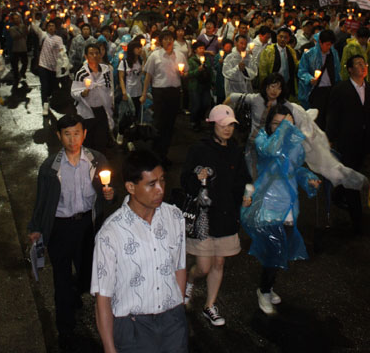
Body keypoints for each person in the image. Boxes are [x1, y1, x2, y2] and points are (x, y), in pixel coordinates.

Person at [28, 114, 114, 349]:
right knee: (61, 280)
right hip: (60, 228)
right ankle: (65, 329)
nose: (72, 139)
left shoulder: (96, 160)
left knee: (89, 275)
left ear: (84, 134)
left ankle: (76, 291)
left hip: (87, 226)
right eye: (67, 134)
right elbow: (42, 201)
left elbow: (109, 190)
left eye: (77, 133)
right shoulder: (50, 168)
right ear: (59, 136)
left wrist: (109, 194)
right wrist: (36, 228)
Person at [91, 150, 188, 353]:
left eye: (162, 181)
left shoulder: (174, 217)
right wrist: (109, 348)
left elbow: (179, 267)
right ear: (131, 187)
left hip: (173, 323)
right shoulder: (110, 234)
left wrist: (178, 307)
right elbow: (103, 298)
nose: (160, 189)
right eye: (151, 184)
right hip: (132, 327)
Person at [241, 104, 321, 314]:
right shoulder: (262, 139)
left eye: (284, 123)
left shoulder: (295, 143)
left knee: (280, 249)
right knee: (273, 249)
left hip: (288, 205)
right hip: (268, 204)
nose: (280, 127)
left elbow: (296, 169)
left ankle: (268, 287)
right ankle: (264, 290)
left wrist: (309, 179)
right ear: (269, 123)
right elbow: (271, 150)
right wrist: (286, 128)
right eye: (276, 123)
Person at [180, 105, 251, 327]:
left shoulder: (236, 151)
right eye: (222, 125)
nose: (227, 129)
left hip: (227, 216)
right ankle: (190, 280)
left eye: (231, 125)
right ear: (212, 125)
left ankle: (209, 305)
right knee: (203, 266)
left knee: (219, 262)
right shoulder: (200, 149)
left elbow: (242, 180)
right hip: (204, 216)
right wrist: (196, 178)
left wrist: (245, 196)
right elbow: (185, 181)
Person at [326, 55, 370, 234]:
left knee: (357, 170)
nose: (363, 66)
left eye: (364, 63)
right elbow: (333, 115)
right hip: (348, 140)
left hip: (365, 141)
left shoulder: (368, 88)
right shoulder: (341, 89)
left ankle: (338, 194)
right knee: (351, 177)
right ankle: (357, 221)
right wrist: (330, 137)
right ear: (350, 69)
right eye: (358, 64)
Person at [140, 30, 187, 166]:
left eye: (170, 39)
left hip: (174, 91)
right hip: (160, 92)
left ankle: (164, 154)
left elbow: (186, 72)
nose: (168, 41)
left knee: (170, 125)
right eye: (165, 39)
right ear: (161, 41)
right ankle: (155, 155)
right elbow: (148, 75)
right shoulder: (155, 56)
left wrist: (183, 74)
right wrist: (144, 94)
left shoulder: (179, 55)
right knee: (159, 124)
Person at [71, 43, 114, 154]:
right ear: (86, 56)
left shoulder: (106, 70)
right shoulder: (81, 73)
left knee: (101, 139)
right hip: (88, 111)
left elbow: (109, 88)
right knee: (88, 139)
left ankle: (100, 159)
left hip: (102, 109)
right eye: (91, 53)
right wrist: (82, 93)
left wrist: (111, 102)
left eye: (97, 53)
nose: (94, 56)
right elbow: (74, 92)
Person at [298, 30, 340, 129]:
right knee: (317, 118)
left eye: (331, 44)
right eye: (327, 44)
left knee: (330, 117)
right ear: (320, 42)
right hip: (317, 90)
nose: (329, 47)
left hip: (331, 89)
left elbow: (337, 71)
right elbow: (302, 71)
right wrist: (310, 79)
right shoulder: (309, 54)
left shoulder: (333, 53)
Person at [31, 15, 64, 116]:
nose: (51, 28)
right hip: (43, 65)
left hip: (54, 67)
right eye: (49, 26)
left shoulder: (58, 39)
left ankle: (49, 100)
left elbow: (62, 51)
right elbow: (34, 27)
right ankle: (44, 106)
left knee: (52, 87)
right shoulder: (43, 35)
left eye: (53, 26)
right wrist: (33, 14)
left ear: (55, 28)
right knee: (44, 86)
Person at [259, 27, 298, 98]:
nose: (282, 39)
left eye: (285, 37)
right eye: (281, 37)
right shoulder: (268, 50)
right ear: (277, 37)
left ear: (289, 39)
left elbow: (295, 66)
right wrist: (265, 85)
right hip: (273, 84)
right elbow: (263, 70)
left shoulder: (291, 51)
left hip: (287, 83)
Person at [188, 41, 214, 131]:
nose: (202, 50)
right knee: (196, 104)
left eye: (203, 48)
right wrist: (198, 70)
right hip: (195, 85)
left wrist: (212, 82)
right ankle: (194, 122)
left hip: (205, 85)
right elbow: (189, 74)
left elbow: (210, 71)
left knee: (206, 103)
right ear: (195, 50)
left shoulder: (206, 59)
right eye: (200, 48)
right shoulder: (191, 60)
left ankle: (199, 118)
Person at [8, 12, 28, 87]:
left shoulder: (23, 26)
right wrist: (22, 33)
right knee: (15, 64)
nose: (17, 20)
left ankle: (22, 73)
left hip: (23, 47)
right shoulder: (12, 28)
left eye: (18, 18)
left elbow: (27, 33)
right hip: (16, 48)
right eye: (15, 19)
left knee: (25, 62)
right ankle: (16, 77)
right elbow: (15, 36)